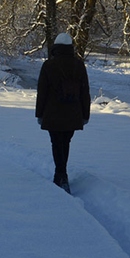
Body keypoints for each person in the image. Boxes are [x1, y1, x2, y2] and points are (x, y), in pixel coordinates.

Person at [35, 32, 91, 194]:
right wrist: (85, 115)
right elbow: (85, 92)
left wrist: (39, 114)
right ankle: (62, 174)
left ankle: (60, 174)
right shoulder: (79, 65)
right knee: (65, 142)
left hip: (52, 112)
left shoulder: (48, 65)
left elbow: (42, 92)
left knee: (55, 142)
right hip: (73, 113)